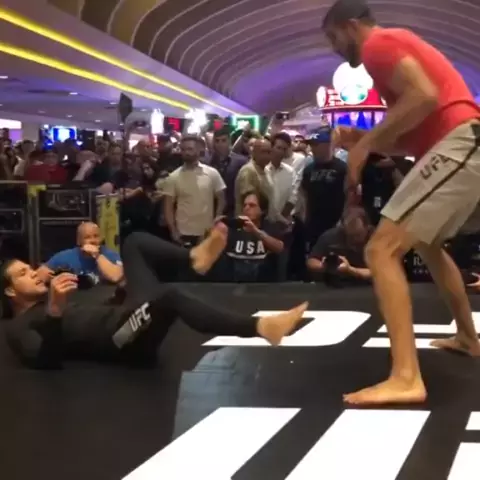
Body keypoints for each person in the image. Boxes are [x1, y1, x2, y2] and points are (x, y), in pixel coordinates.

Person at [322, 0, 480, 405]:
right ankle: (468, 337)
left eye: (333, 38)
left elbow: (425, 96)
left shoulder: (379, 44)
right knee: (426, 243)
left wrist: (366, 144)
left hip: (461, 144)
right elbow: (412, 136)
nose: (333, 48)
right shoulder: (389, 56)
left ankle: (407, 377)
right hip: (457, 146)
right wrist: (363, 140)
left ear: (350, 26)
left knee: (380, 249)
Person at [1, 225, 307, 369]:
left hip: (123, 316)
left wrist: (118, 297)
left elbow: (87, 318)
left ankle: (194, 258)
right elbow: (46, 359)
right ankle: (261, 327)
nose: (34, 273)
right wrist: (55, 311)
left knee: (134, 241)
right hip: (118, 340)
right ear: (10, 291)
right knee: (169, 296)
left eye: (31, 268)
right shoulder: (18, 327)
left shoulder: (48, 301)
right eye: (23, 273)